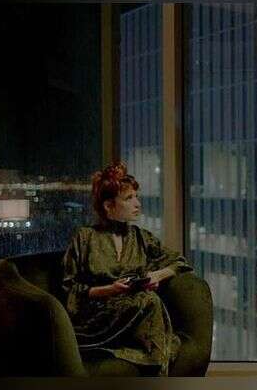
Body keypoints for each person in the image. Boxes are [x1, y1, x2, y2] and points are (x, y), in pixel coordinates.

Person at [62, 161, 192, 376]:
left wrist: (156, 275)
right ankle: (159, 366)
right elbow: (69, 289)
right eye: (129, 198)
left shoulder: (141, 237)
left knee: (149, 300)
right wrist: (110, 289)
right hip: (96, 317)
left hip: (135, 314)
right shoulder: (85, 238)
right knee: (149, 301)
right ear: (108, 205)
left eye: (136, 197)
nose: (137, 204)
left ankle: (155, 362)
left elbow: (180, 262)